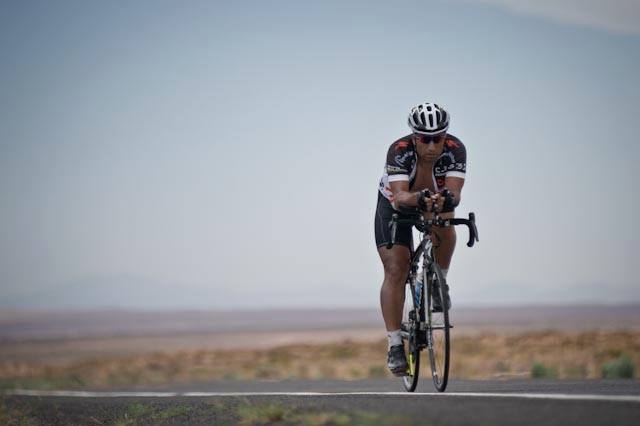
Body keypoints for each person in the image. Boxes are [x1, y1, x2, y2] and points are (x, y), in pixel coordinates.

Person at [374, 102, 466, 376]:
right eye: (425, 139)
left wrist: (444, 199)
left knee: (446, 222)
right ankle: (394, 344)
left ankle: (438, 282)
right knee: (396, 268)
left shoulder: (455, 149)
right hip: (395, 204)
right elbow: (401, 197)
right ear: (414, 137)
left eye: (438, 138)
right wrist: (422, 193)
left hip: (432, 201)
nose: (432, 145)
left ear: (445, 136)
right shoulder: (399, 151)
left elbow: (454, 194)